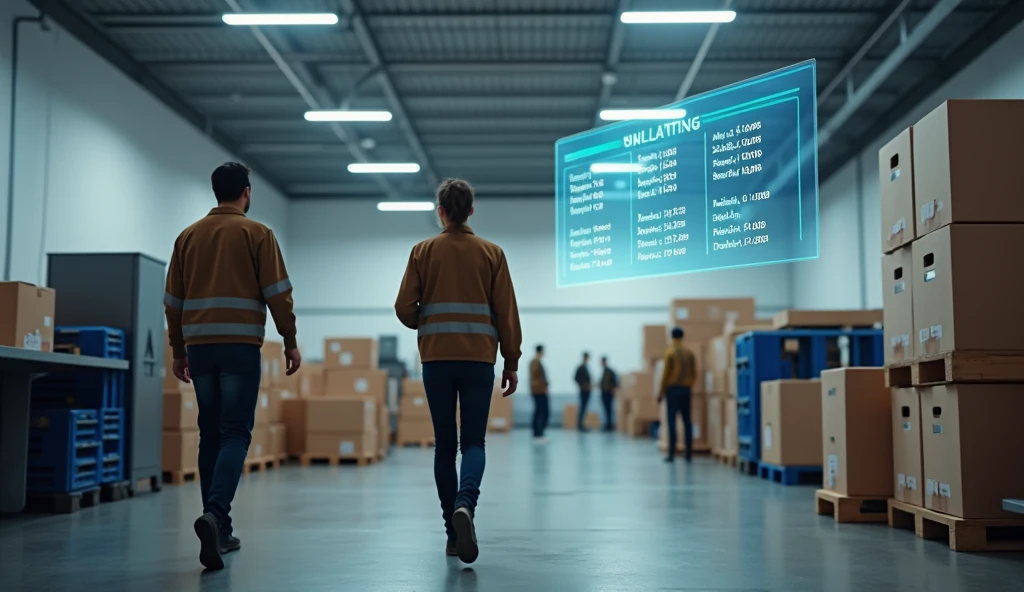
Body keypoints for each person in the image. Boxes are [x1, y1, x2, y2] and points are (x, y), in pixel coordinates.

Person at [164, 162, 301, 570]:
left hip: (201, 348)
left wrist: (178, 349)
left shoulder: (188, 237)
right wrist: (290, 340)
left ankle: (220, 529)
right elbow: (278, 293)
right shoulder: (258, 234)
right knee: (236, 433)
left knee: (210, 433)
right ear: (246, 193)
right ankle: (215, 515)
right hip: (240, 348)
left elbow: (173, 301)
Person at [394, 178, 522, 565]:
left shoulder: (423, 251)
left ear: (441, 212)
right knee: (474, 443)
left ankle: (452, 534)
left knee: (444, 446)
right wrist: (512, 360)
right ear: (471, 211)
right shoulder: (492, 253)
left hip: (436, 360)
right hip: (479, 360)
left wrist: (427, 321)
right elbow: (507, 313)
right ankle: (466, 503)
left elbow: (403, 307)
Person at [657, 327, 697, 463]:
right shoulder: (689, 353)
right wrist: (689, 385)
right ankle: (688, 454)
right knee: (687, 422)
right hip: (686, 390)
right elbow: (694, 373)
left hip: (672, 390)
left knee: (672, 422)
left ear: (672, 337)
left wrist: (660, 392)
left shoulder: (670, 353)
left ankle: (672, 454)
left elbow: (665, 375)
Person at [529, 345, 550, 442]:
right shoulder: (534, 362)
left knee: (542, 412)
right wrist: (543, 387)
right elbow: (535, 378)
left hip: (541, 391)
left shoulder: (537, 362)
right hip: (538, 391)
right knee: (540, 412)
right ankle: (537, 434)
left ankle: (539, 433)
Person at [599, 356, 619, 432]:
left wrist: (613, 389)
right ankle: (607, 424)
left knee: (609, 410)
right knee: (606, 410)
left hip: (608, 393)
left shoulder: (609, 371)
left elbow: (615, 382)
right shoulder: (604, 371)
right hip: (604, 393)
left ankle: (609, 425)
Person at [574, 352, 592, 432]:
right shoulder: (581, 368)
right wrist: (583, 385)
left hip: (587, 391)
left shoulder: (586, 367)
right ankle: (580, 425)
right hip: (583, 391)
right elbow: (576, 378)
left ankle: (581, 424)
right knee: (582, 408)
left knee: (584, 408)